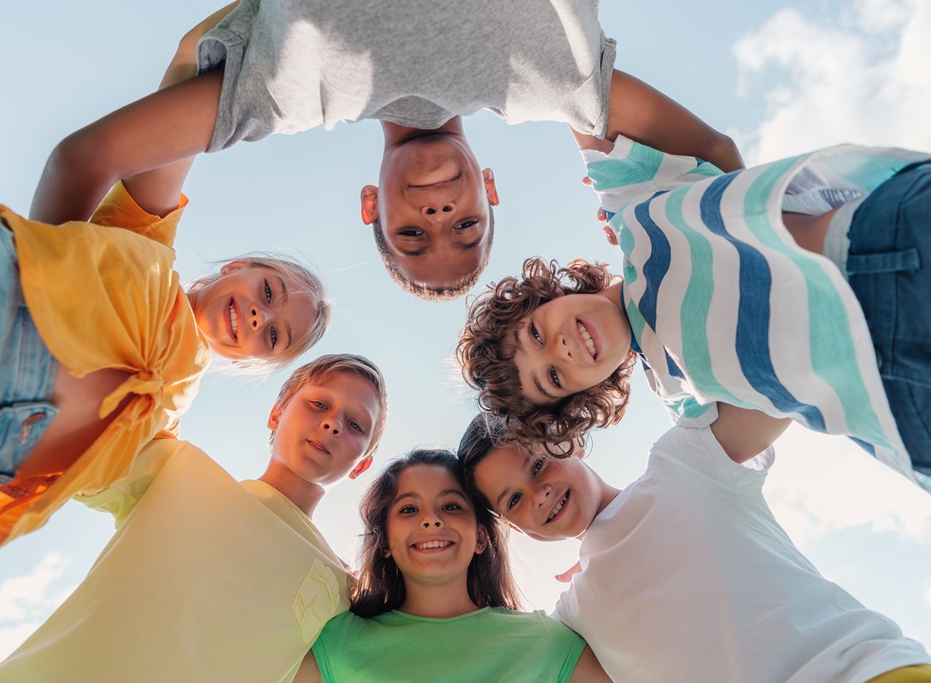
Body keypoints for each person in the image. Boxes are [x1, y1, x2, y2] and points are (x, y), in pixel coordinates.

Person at [0, 23, 331, 553]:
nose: (257, 318)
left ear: (247, 360)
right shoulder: (148, 235)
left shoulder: (168, 425)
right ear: (236, 267)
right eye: (268, 293)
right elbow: (180, 86)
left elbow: (167, 522)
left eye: (272, 336)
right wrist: (53, 265)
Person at [26, 0, 742, 301]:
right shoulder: (559, 88)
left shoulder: (279, 98)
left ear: (371, 204)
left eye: (412, 231)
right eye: (464, 224)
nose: (438, 210)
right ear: (489, 188)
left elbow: (84, 159)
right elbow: (711, 149)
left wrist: (48, 320)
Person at [456, 139, 931, 492]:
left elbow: (578, 87)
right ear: (581, 396)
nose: (560, 350)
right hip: (898, 401)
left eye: (536, 334)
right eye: (555, 378)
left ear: (546, 297)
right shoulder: (684, 402)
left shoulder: (634, 210)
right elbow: (736, 450)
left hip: (884, 247)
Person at [0, 353, 386, 683]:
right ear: (276, 413)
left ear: (361, 465)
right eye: (319, 403)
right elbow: (75, 441)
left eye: (355, 425)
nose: (332, 423)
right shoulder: (176, 466)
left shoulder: (342, 593)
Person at [459, 412, 931, 682]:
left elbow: (776, 385)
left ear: (571, 440)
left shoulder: (684, 462)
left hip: (861, 671)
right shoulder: (572, 617)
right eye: (514, 499)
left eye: (539, 463)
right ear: (515, 529)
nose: (537, 493)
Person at [294, 448, 610, 682]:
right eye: (408, 509)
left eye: (450, 505)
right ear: (386, 542)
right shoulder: (337, 642)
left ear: (481, 537)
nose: (431, 520)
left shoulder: (549, 641)